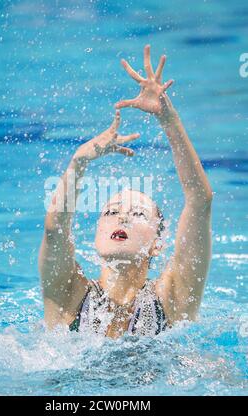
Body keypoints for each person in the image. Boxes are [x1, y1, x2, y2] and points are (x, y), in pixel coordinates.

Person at [38, 44, 213, 339]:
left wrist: (168, 119)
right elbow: (55, 229)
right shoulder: (69, 295)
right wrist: (78, 163)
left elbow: (200, 201)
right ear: (95, 233)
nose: (122, 219)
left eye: (137, 214)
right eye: (111, 212)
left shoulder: (171, 300)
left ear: (158, 243)